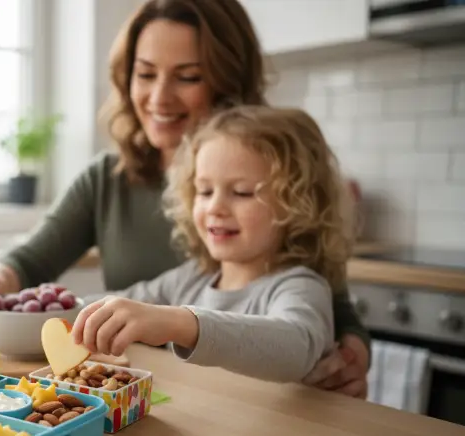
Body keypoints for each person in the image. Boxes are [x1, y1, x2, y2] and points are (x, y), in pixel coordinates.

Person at [0, 0, 369, 397]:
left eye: (188, 76)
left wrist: (353, 351)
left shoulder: (282, 183)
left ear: (228, 81)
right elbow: (36, 264)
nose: (160, 97)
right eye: (145, 74)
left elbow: (316, 315)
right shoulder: (177, 260)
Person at [72, 105, 351, 382]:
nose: (215, 207)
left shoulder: (301, 286)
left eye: (241, 192)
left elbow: (296, 349)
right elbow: (117, 307)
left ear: (298, 204)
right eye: (204, 191)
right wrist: (63, 308)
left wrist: (180, 324)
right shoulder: (191, 278)